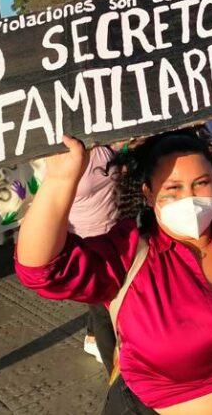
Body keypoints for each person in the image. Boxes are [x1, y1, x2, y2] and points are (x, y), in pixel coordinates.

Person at [15, 129, 212, 415]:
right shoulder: (128, 253)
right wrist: (59, 180)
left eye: (201, 183)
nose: (189, 198)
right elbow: (42, 270)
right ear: (148, 193)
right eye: (173, 188)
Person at [69, 145, 120, 373]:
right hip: (85, 244)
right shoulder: (62, 155)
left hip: (119, 238)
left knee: (118, 304)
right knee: (102, 310)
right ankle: (116, 377)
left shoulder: (107, 146)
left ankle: (92, 338)